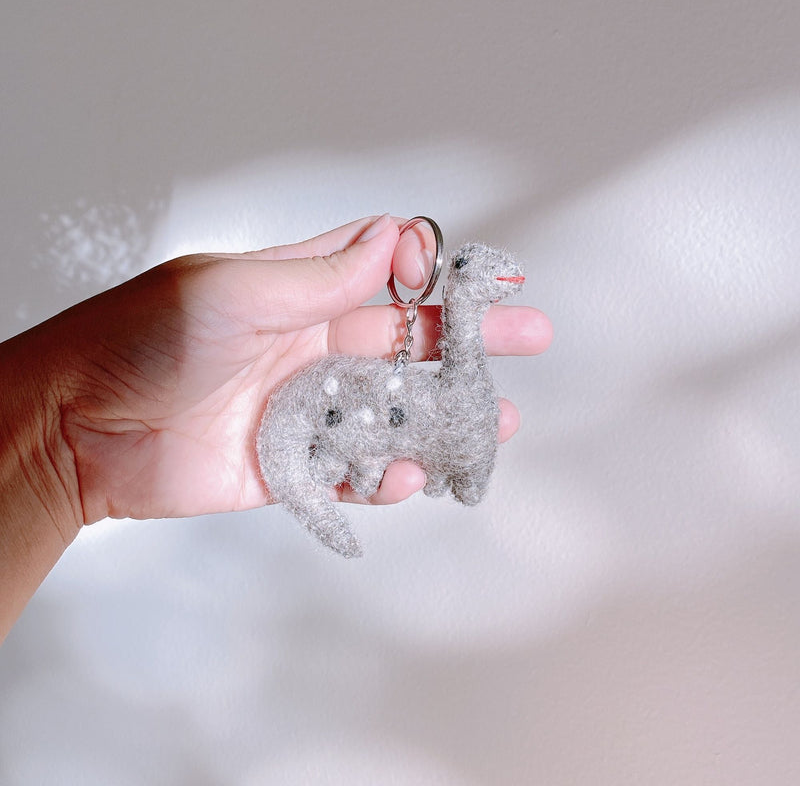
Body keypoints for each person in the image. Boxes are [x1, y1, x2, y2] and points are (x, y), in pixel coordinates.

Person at [0, 214, 552, 642]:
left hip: (355, 408)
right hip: (326, 413)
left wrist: (61, 435)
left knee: (451, 442)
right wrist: (62, 432)